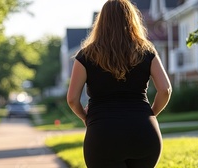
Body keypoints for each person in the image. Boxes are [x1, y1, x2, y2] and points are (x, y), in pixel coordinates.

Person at [66, 0, 172, 167]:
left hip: (102, 135)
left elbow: (72, 99)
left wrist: (86, 118)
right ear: (132, 20)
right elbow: (165, 90)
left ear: (101, 21)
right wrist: (151, 114)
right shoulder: (146, 51)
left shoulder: (85, 55)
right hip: (144, 132)